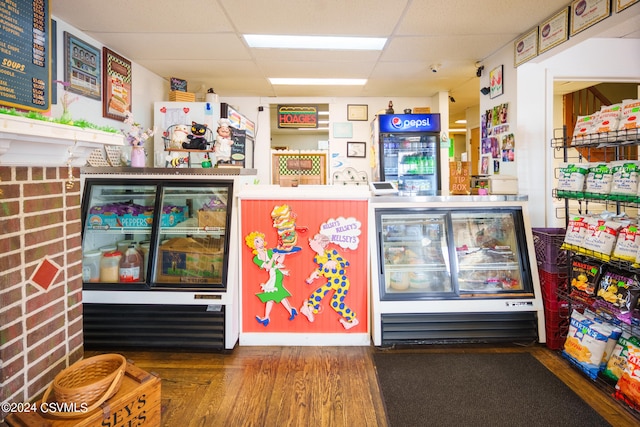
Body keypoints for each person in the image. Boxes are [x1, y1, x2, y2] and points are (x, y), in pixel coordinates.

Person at [300, 233, 359, 330]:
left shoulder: (332, 253)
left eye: (314, 240)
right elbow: (323, 269)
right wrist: (313, 276)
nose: (310, 242)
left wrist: (334, 262)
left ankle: (353, 320)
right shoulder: (318, 258)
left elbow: (346, 263)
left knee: (335, 303)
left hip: (341, 281)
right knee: (317, 293)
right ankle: (309, 309)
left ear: (320, 243)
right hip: (332, 281)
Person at [245, 231, 297, 326]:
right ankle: (286, 312)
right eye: (257, 241)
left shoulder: (269, 252)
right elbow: (268, 266)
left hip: (277, 274)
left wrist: (283, 252)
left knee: (274, 294)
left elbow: (280, 260)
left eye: (261, 240)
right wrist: (273, 258)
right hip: (272, 275)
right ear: (252, 244)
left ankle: (268, 317)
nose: (260, 243)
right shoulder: (256, 258)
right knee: (273, 296)